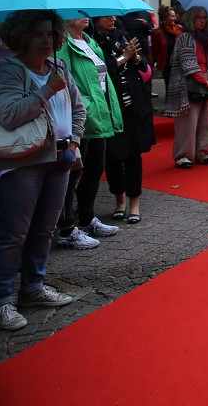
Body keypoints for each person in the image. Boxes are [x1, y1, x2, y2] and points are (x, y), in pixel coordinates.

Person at [0, 11, 86, 331]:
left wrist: (74, 143)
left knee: (44, 231)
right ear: (22, 37)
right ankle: (2, 300)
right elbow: (9, 115)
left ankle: (33, 288)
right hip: (23, 163)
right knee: (13, 234)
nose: (47, 40)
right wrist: (47, 89)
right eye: (39, 34)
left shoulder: (59, 67)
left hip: (60, 159)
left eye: (51, 34)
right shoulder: (9, 70)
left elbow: (78, 108)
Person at [54, 16, 124, 248]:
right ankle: (67, 227)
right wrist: (85, 105)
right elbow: (63, 80)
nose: (85, 15)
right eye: (77, 11)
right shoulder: (64, 44)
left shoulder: (89, 41)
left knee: (94, 170)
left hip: (100, 114)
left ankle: (86, 218)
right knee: (73, 174)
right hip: (82, 117)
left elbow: (102, 80)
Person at [94, 15, 154, 224]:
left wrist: (135, 58)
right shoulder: (92, 41)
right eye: (106, 17)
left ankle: (134, 203)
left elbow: (144, 67)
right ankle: (119, 200)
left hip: (132, 106)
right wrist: (123, 58)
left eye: (113, 17)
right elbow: (100, 72)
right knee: (112, 157)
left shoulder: (122, 37)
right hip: (110, 108)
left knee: (133, 157)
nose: (111, 20)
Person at [164, 6, 208, 169]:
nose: (202, 21)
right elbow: (189, 65)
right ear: (191, 19)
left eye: (204, 18)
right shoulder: (185, 37)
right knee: (188, 122)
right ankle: (184, 155)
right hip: (188, 85)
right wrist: (204, 80)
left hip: (203, 82)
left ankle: (202, 153)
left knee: (204, 122)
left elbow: (206, 62)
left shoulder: (204, 38)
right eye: (198, 17)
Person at [150, 5, 181, 91]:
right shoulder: (157, 32)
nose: (175, 18)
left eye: (175, 16)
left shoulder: (179, 29)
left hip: (179, 63)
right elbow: (155, 51)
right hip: (167, 65)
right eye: (172, 16)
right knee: (170, 88)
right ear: (165, 18)